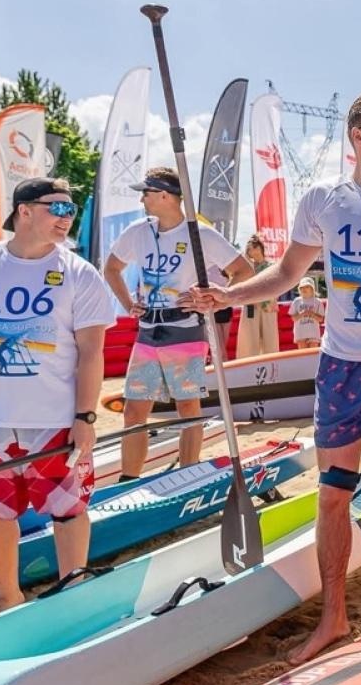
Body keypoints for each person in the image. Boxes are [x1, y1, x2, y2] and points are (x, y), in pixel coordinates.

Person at [181, 92, 361, 664]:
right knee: (334, 493)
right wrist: (228, 296)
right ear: (358, 136)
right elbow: (287, 272)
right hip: (342, 365)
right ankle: (334, 615)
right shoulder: (322, 201)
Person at [0, 177, 115, 612]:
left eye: (71, 210)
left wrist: (86, 417)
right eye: (59, 208)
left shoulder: (80, 273)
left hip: (56, 422)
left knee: (69, 510)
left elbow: (92, 352)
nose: (67, 218)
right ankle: (8, 597)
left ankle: (73, 591)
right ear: (25, 211)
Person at [104, 168, 251, 480]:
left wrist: (216, 299)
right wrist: (129, 304)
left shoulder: (200, 234)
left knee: (187, 408)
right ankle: (128, 479)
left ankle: (186, 475)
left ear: (164, 196)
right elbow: (112, 268)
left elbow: (244, 270)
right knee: (134, 411)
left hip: (185, 331)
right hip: (148, 333)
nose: (141, 200)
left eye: (145, 193)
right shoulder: (138, 231)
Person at [234, 237, 280, 358]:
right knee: (249, 340)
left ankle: (272, 363)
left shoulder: (272, 266)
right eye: (249, 249)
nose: (253, 251)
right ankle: (248, 364)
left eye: (255, 247)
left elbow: (277, 284)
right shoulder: (246, 268)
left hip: (268, 305)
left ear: (261, 247)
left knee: (270, 340)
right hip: (251, 305)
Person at [291, 277, 324, 349]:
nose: (304, 289)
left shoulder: (318, 302)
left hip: (314, 333)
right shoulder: (296, 301)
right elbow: (293, 318)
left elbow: (321, 319)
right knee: (302, 354)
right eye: (302, 287)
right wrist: (302, 314)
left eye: (307, 287)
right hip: (300, 333)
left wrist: (312, 314)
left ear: (312, 288)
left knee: (313, 353)